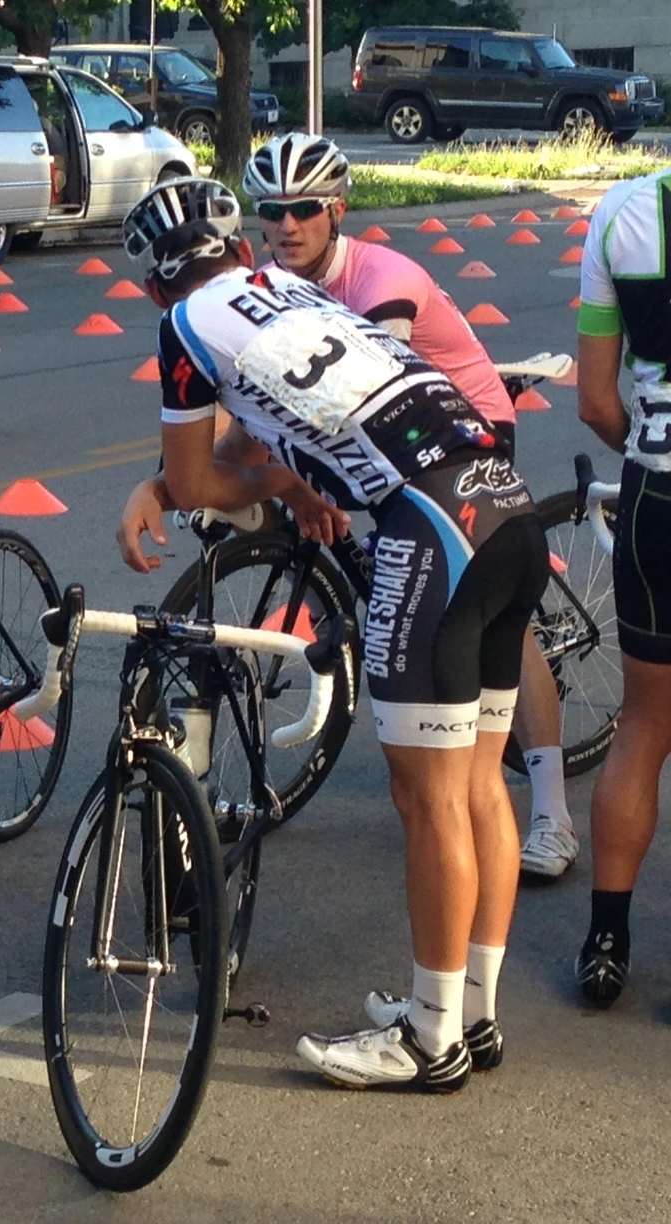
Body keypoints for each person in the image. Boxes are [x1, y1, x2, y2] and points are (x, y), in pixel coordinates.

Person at [115, 177, 548, 1092]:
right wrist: (270, 481)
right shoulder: (300, 292)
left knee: (426, 796)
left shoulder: (184, 327)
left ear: (155, 284)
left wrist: (163, 489)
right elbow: (274, 445)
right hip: (505, 503)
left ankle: (429, 1042)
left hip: (430, 529)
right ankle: (469, 1012)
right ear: (238, 248)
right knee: (476, 786)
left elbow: (205, 481)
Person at [235, 132, 578, 878]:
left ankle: (551, 814)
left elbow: (362, 407)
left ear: (337, 211)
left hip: (470, 431)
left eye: (305, 210)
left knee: (491, 619)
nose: (287, 226)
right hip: (401, 447)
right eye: (273, 211)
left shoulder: (380, 278)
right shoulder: (270, 285)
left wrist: (307, 483)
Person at [571, 164, 671, 1007]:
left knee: (643, 724)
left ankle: (607, 939)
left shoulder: (625, 210)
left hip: (655, 494)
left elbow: (597, 401)